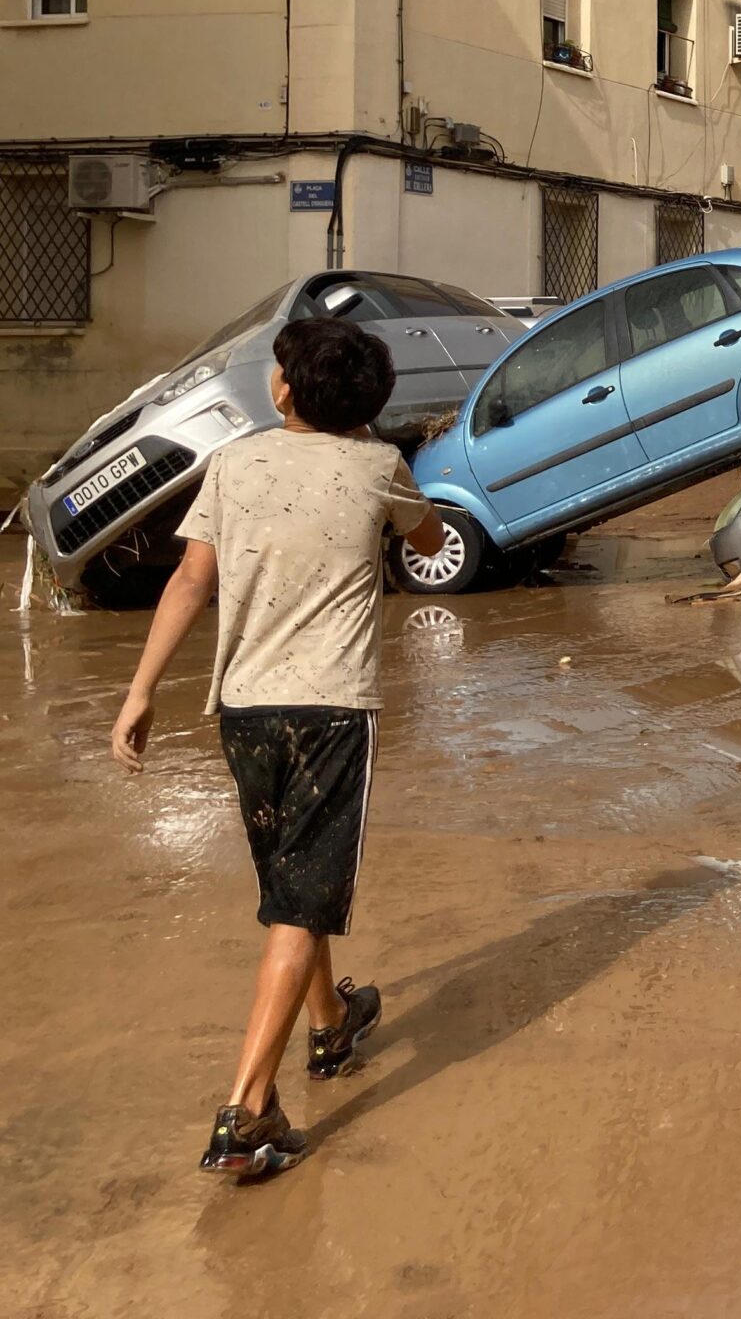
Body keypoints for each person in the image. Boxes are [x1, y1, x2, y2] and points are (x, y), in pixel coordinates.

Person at [111, 316, 449, 1181]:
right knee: (301, 902)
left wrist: (141, 690)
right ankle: (247, 1111)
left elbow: (192, 579)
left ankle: (330, 1025)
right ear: (364, 404)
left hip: (244, 709)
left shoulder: (234, 463)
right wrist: (387, 471)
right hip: (332, 710)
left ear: (285, 390)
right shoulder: (378, 466)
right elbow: (430, 541)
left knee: (295, 880)